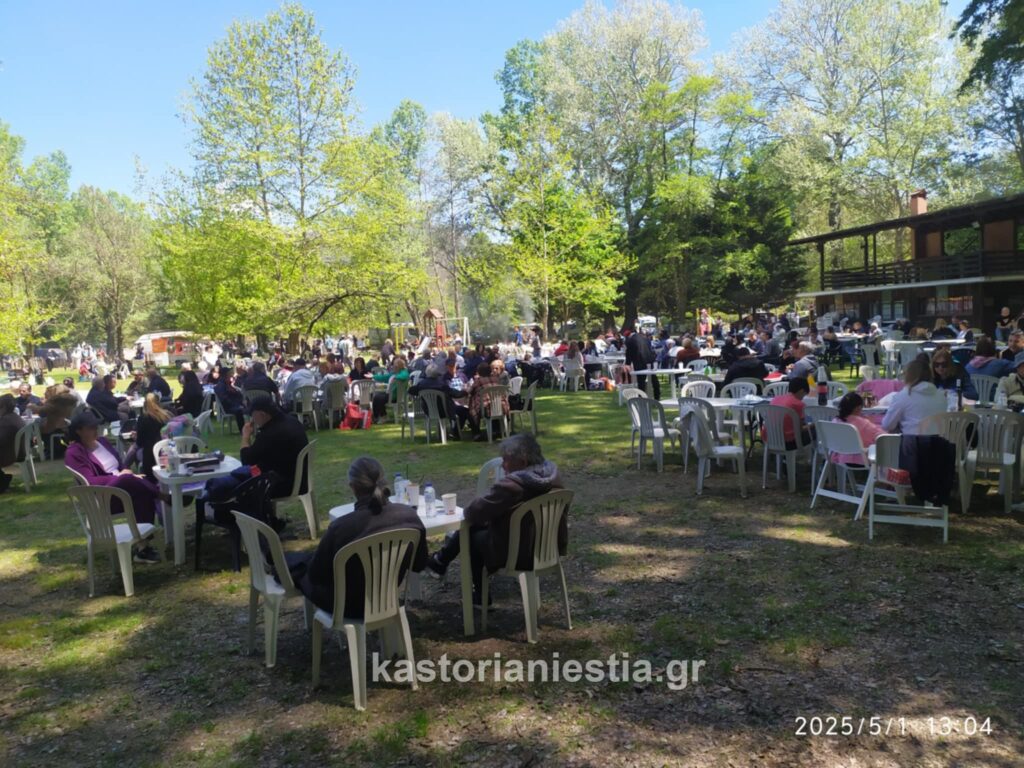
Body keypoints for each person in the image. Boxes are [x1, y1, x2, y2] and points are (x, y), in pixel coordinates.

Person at [425, 434, 565, 605]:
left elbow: (473, 512)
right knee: (477, 527)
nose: (503, 465)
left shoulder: (514, 485)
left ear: (522, 461)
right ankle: (441, 561)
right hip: (547, 547)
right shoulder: (552, 475)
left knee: (470, 533)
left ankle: (478, 594)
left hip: (519, 552)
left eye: (506, 460)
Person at [290, 457, 426, 617]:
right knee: (303, 561)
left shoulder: (341, 528)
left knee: (300, 567)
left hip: (345, 605)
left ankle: (276, 562)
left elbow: (317, 575)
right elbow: (419, 564)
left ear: (353, 487)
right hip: (386, 598)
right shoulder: (409, 516)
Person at [64, 411, 164, 561]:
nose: (95, 430)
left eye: (96, 426)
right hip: (103, 497)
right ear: (79, 431)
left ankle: (143, 548)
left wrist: (125, 473)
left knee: (141, 490)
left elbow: (120, 464)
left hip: (124, 489)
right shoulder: (74, 452)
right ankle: (162, 495)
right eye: (91, 428)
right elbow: (90, 482)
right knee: (131, 482)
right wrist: (121, 476)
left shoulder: (102, 442)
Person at [196, 399, 309, 524]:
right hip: (300, 479)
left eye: (253, 415)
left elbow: (246, 460)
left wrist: (245, 436)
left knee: (240, 487)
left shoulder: (270, 433)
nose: (251, 419)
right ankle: (266, 518)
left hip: (283, 484)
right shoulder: (291, 421)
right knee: (242, 477)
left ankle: (244, 522)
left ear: (262, 415)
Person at [881, 359, 947, 435]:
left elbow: (886, 425)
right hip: (939, 444)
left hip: (913, 443)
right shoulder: (941, 396)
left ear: (908, 375)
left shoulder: (903, 396)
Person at [409, 364, 469, 438]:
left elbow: (411, 390)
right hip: (445, 411)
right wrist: (465, 391)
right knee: (464, 411)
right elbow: (456, 394)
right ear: (437, 374)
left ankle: (454, 433)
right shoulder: (441, 384)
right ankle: (456, 432)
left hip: (429, 410)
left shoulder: (421, 384)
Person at [831, 392, 886, 465]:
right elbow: (882, 436)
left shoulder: (835, 421)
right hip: (861, 460)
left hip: (841, 459)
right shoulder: (862, 424)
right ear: (858, 408)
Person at [467, 360, 511, 440]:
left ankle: (477, 434)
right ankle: (497, 430)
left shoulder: (478, 381)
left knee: (470, 411)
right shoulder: (497, 379)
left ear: (479, 372)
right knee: (492, 404)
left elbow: (470, 391)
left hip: (486, 409)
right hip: (502, 407)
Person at [766, 377, 814, 448]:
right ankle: (814, 455)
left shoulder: (776, 399)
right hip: (789, 442)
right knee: (816, 431)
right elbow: (799, 430)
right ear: (801, 391)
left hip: (770, 438)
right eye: (804, 395)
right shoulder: (798, 404)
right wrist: (814, 425)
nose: (803, 398)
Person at [135, 393, 173, 481]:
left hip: (150, 455)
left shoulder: (143, 418)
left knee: (135, 451)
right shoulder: (167, 416)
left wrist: (136, 436)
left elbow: (139, 442)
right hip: (167, 451)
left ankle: (137, 474)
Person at [34, 384, 79, 458]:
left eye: (47, 392)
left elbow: (43, 412)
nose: (45, 394)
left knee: (39, 427)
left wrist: (32, 406)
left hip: (59, 426)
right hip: (67, 425)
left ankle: (54, 451)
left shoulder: (57, 402)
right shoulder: (69, 400)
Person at [371, 356, 410, 422]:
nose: (393, 367)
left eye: (395, 366)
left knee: (378, 398)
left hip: (396, 396)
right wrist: (373, 376)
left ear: (398, 366)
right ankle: (378, 416)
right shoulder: (394, 373)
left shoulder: (404, 372)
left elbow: (404, 376)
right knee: (376, 396)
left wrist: (396, 377)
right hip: (391, 394)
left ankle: (382, 416)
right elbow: (384, 377)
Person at [0, 395, 25, 493]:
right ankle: (3, 479)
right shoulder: (14, 417)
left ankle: (2, 482)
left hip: (10, 454)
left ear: (3, 407)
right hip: (17, 450)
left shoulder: (6, 421)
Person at [214, 366, 247, 431]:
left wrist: (241, 400)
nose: (231, 374)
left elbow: (237, 394)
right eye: (230, 373)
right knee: (239, 411)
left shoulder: (227, 383)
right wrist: (237, 404)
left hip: (235, 404)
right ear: (225, 374)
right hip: (228, 407)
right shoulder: (221, 385)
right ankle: (242, 430)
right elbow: (224, 399)